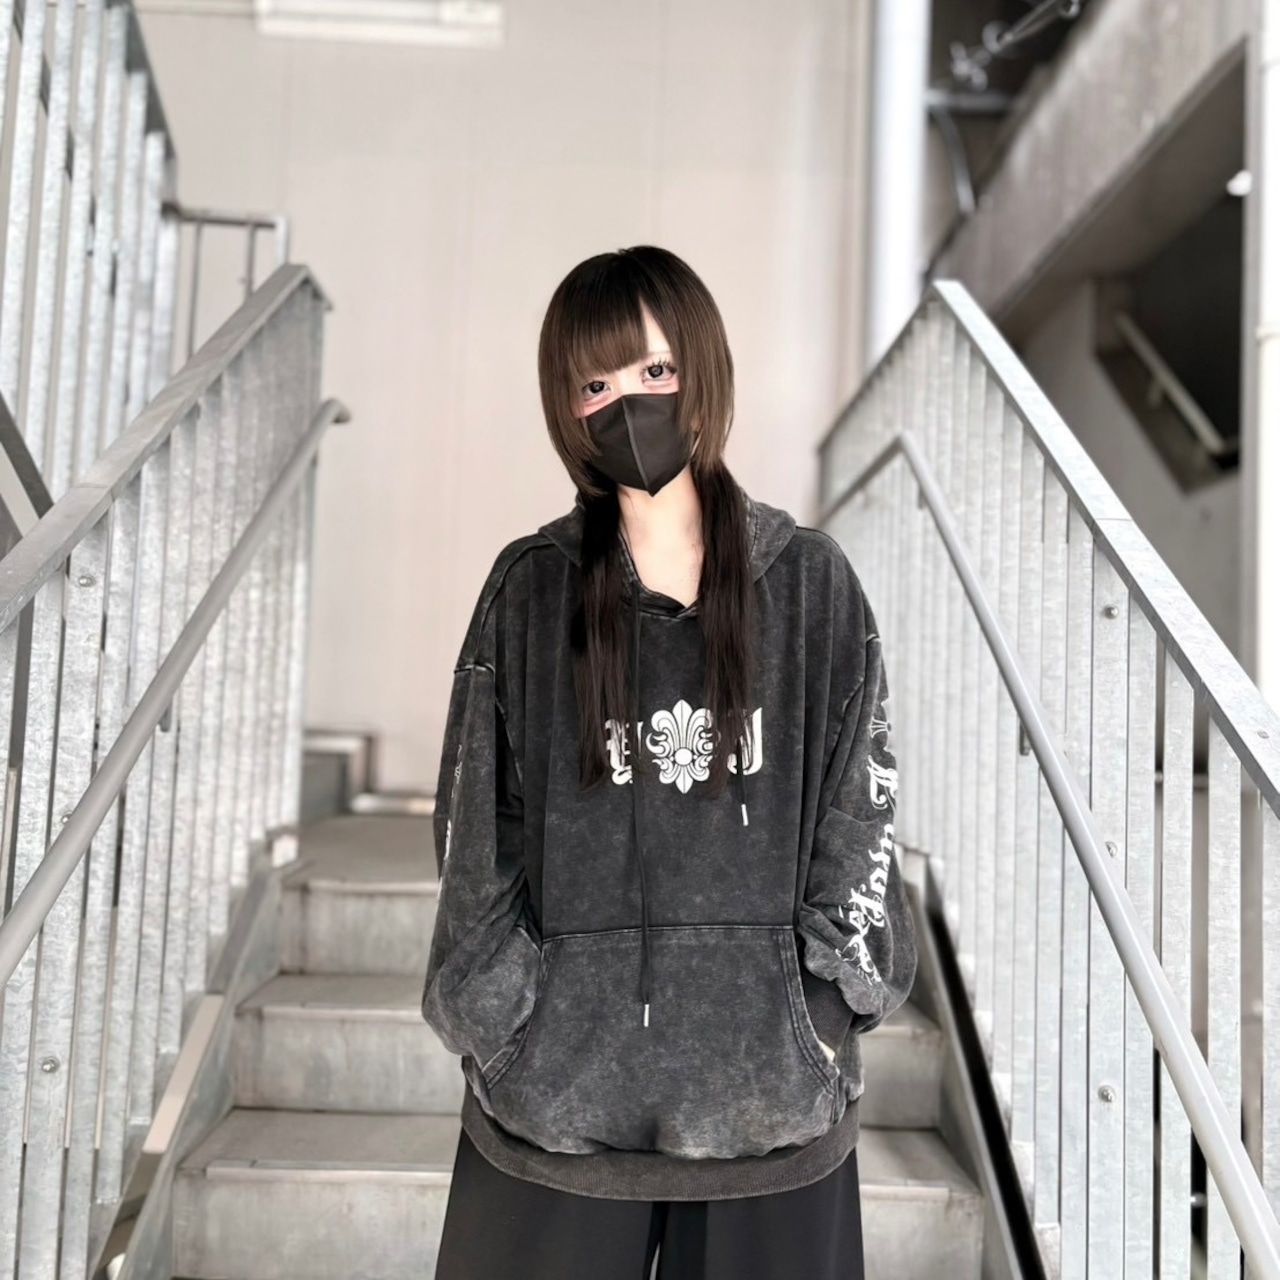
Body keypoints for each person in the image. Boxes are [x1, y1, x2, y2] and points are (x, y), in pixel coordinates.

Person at [422, 244, 917, 1279]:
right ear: (567, 410)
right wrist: (508, 1020)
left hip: (771, 1115)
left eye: (654, 369)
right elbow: (475, 833)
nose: (628, 404)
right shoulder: (529, 591)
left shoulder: (811, 586)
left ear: (702, 368)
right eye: (595, 385)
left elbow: (860, 814)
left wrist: (817, 1013)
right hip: (553, 1113)